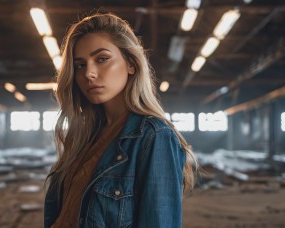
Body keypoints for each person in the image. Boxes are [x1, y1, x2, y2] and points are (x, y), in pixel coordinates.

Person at [44, 13, 197, 228]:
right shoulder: (84, 137)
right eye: (80, 65)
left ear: (131, 64)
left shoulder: (153, 136)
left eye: (102, 59)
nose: (89, 73)